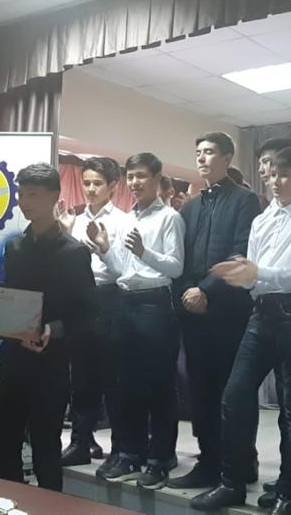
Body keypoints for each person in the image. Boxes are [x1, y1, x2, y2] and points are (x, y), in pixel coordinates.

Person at [191, 145, 291, 515]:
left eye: (285, 175)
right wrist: (240, 274)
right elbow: (252, 271)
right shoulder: (261, 220)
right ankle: (231, 483)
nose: (275, 181)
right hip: (261, 314)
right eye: (271, 175)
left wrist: (259, 273)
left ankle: (289, 495)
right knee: (234, 397)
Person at [0, 163, 97, 491]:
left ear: (54, 197)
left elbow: (89, 313)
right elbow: (11, 297)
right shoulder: (15, 247)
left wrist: (52, 330)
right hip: (12, 359)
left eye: (33, 195)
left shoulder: (74, 253)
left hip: (51, 364)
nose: (24, 202)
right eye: (21, 194)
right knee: (3, 442)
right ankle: (8, 506)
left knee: (46, 449)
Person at [170, 132, 262, 489]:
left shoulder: (245, 200)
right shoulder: (191, 206)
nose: (202, 158)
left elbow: (241, 252)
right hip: (193, 312)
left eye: (209, 152)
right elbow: (180, 258)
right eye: (198, 152)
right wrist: (186, 293)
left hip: (229, 311)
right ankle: (208, 461)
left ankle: (240, 463)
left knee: (232, 392)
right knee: (201, 391)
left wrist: (204, 290)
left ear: (227, 158)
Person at [94, 153, 185, 489]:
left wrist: (145, 252)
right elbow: (122, 268)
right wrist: (105, 250)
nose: (134, 183)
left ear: (158, 178)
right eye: (130, 176)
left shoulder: (170, 218)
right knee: (127, 385)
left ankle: (161, 459)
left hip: (155, 304)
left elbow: (176, 267)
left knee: (158, 386)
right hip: (126, 302)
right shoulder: (128, 218)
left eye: (141, 176)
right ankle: (131, 453)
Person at [60, 157, 123, 469]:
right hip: (80, 300)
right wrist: (66, 234)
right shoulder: (73, 219)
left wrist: (104, 249)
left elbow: (123, 270)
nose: (91, 188)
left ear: (112, 186)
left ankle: (120, 448)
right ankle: (80, 442)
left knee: (112, 377)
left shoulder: (123, 220)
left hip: (110, 297)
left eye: (98, 183)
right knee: (82, 377)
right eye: (86, 182)